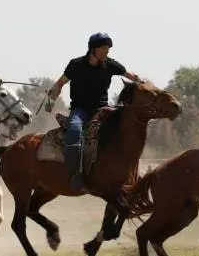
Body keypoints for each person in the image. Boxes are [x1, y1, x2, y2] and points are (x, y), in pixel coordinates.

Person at [45, 32, 140, 190]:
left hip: (103, 110)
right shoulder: (75, 65)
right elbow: (60, 83)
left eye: (108, 50)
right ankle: (75, 176)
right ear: (92, 49)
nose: (106, 53)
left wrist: (146, 85)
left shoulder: (110, 64)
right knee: (74, 131)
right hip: (80, 110)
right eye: (103, 49)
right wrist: (50, 101)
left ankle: (130, 174)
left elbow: (131, 75)